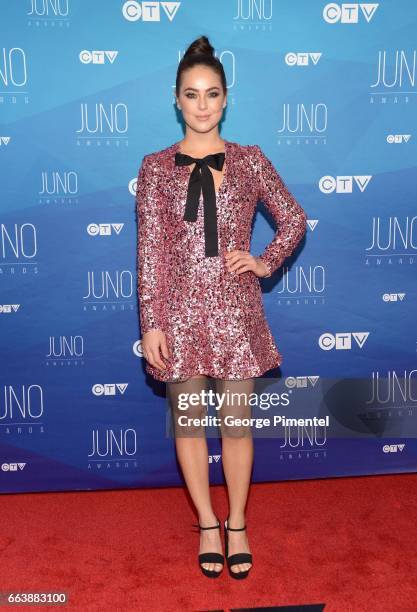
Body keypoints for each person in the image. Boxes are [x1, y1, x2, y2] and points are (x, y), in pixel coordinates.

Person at [136, 35, 307, 579]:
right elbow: (151, 251)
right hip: (180, 314)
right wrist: (153, 322)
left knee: (236, 424)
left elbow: (294, 219)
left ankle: (237, 524)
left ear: (227, 98)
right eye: (192, 94)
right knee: (188, 424)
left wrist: (264, 261)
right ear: (176, 100)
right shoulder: (157, 168)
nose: (203, 105)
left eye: (212, 93)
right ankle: (207, 523)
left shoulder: (252, 161)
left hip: (236, 315)